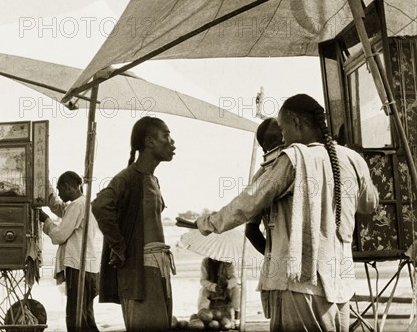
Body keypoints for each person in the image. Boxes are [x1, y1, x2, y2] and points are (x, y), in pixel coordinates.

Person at [196, 94, 379, 332]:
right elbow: (369, 205)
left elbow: (247, 204)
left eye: (283, 129)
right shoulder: (353, 159)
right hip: (340, 286)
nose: (283, 137)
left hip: (301, 286)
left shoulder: (293, 159)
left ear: (296, 122)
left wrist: (208, 222)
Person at [91, 116, 177, 332]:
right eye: (166, 135)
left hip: (159, 267)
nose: (172, 142)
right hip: (141, 268)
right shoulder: (127, 178)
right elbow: (101, 206)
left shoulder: (152, 179)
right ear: (149, 141)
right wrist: (119, 247)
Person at [38, 171, 99, 332]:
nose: (59, 194)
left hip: (79, 267)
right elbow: (59, 207)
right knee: (86, 316)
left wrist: (46, 221)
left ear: (67, 187)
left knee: (75, 317)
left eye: (60, 190)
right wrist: (44, 181)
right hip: (90, 268)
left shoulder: (77, 205)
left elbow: (59, 236)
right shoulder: (83, 203)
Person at [244, 117, 284, 255]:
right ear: (265, 148)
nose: (282, 141)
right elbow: (251, 229)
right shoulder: (260, 178)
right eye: (275, 139)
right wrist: (272, 256)